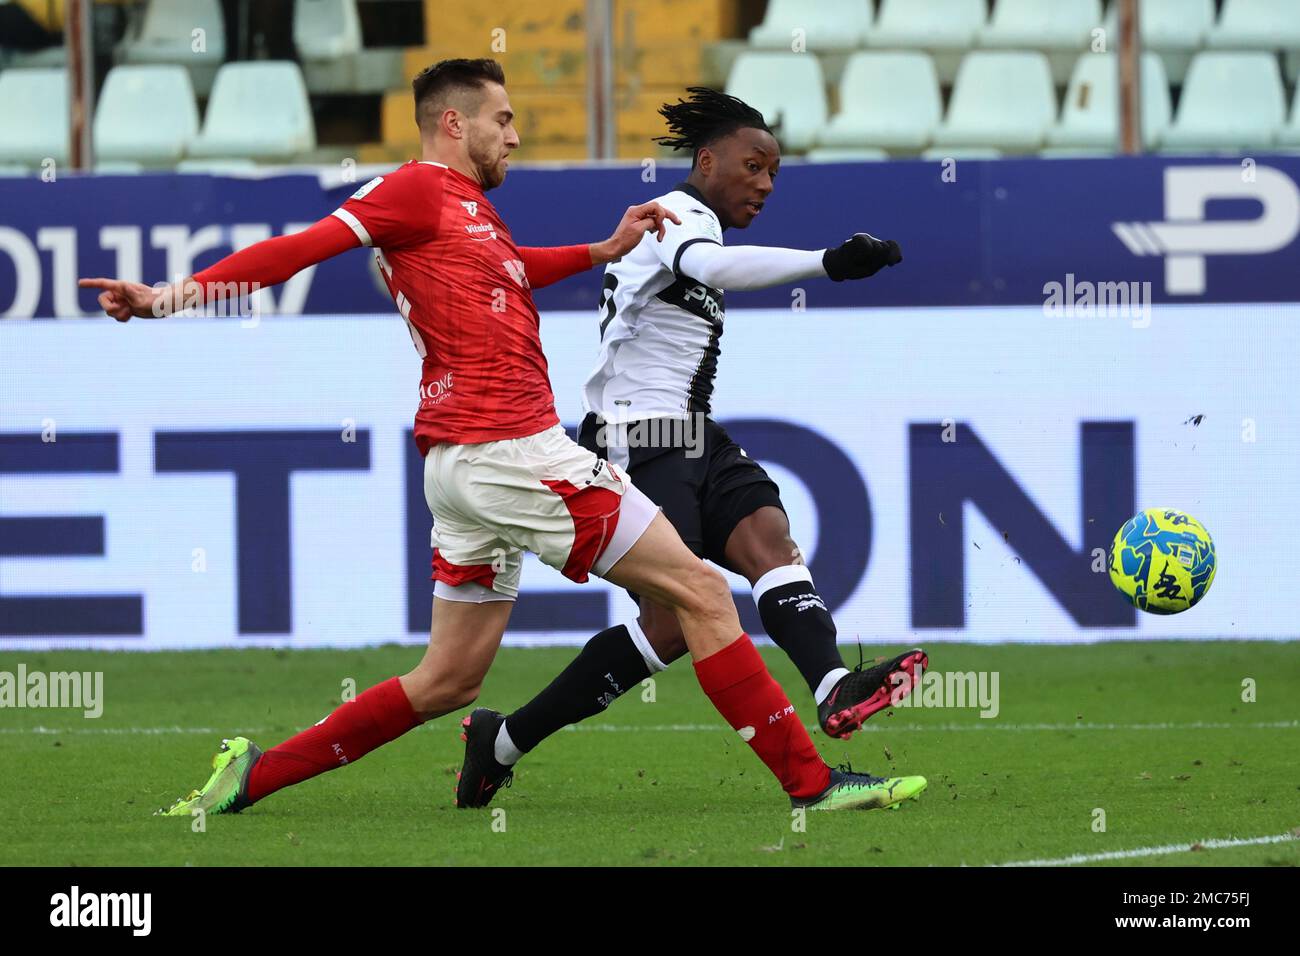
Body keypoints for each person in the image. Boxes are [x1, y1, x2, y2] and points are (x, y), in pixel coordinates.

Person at [80, 61, 924, 816]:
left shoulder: (466, 211)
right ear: (455, 123)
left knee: (448, 680)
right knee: (703, 594)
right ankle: (814, 783)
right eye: (503, 120)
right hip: (512, 451)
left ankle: (252, 775)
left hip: (459, 469)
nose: (516, 135)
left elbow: (513, 266)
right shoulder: (412, 189)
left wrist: (600, 249)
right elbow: (300, 249)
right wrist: (168, 297)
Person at [456, 88, 928, 810]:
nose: (765, 184)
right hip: (637, 439)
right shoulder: (675, 218)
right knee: (675, 621)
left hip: (691, 432)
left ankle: (834, 686)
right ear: (707, 161)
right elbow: (713, 268)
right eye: (753, 166)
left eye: (774, 171)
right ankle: (503, 741)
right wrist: (826, 262)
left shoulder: (695, 223)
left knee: (771, 539)